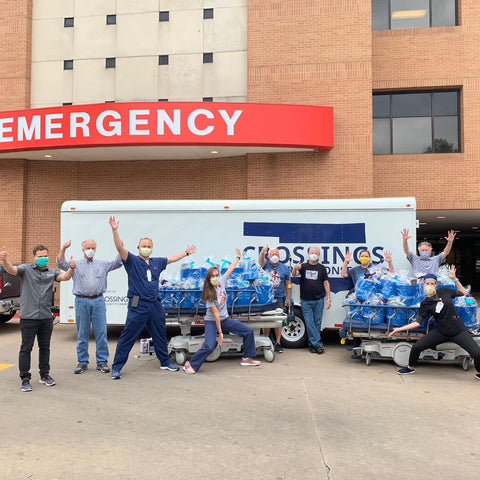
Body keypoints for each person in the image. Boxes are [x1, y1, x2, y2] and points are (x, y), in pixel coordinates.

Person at [108, 216, 196, 379]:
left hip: (155, 304)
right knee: (128, 335)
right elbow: (120, 248)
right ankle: (117, 367)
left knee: (160, 334)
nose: (146, 248)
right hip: (137, 303)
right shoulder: (132, 261)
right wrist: (115, 230)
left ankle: (165, 362)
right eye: (144, 246)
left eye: (149, 246)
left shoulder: (157, 262)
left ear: (152, 248)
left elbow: (172, 258)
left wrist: (186, 253)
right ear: (138, 247)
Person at [0, 244, 75, 392]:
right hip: (29, 317)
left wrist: (71, 268)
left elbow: (65, 277)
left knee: (45, 348)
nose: (43, 258)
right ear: (33, 257)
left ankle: (44, 375)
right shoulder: (25, 270)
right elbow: (10, 269)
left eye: (45, 255)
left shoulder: (51, 272)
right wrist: (5, 260)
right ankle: (25, 379)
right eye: (40, 256)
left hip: (46, 317)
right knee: (26, 348)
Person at [389, 269, 480, 380]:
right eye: (427, 283)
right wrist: (399, 329)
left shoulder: (444, 291)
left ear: (436, 285)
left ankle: (478, 372)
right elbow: (418, 322)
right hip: (441, 331)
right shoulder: (425, 303)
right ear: (424, 285)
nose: (430, 285)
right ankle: (410, 367)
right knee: (417, 347)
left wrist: (455, 279)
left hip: (458, 330)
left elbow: (463, 293)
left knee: (477, 353)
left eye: (432, 283)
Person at [183, 249, 261, 374]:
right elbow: (215, 315)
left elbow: (230, 269)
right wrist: (220, 333)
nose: (215, 278)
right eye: (212, 276)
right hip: (212, 322)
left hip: (224, 319)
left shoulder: (221, 283)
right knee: (209, 345)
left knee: (248, 331)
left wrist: (238, 257)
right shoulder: (208, 294)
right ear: (208, 278)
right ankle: (191, 364)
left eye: (216, 275)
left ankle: (247, 358)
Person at [56, 238, 123, 375]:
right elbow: (60, 262)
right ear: (83, 249)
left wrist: (120, 246)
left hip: (98, 300)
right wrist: (63, 249)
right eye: (88, 248)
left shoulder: (103, 264)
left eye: (93, 248)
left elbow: (118, 262)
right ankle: (82, 362)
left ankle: (102, 361)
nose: (90, 250)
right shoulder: (75, 264)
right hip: (82, 301)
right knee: (82, 332)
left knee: (101, 332)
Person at [292, 246, 331, 354]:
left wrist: (329, 298)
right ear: (308, 254)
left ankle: (312, 345)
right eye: (312, 252)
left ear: (318, 255)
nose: (314, 254)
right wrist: (295, 267)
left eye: (316, 253)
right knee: (309, 323)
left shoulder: (322, 268)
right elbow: (294, 274)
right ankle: (318, 344)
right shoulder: (303, 266)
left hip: (319, 300)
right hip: (305, 300)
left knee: (317, 323)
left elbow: (326, 283)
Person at [258, 245, 291, 353]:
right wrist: (262, 252)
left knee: (278, 322)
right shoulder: (264, 265)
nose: (275, 256)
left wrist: (288, 298)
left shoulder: (284, 268)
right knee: (266, 321)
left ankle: (278, 343)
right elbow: (260, 261)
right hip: (266, 299)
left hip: (279, 298)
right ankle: (266, 341)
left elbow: (288, 284)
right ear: (268, 256)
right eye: (272, 254)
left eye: (276, 254)